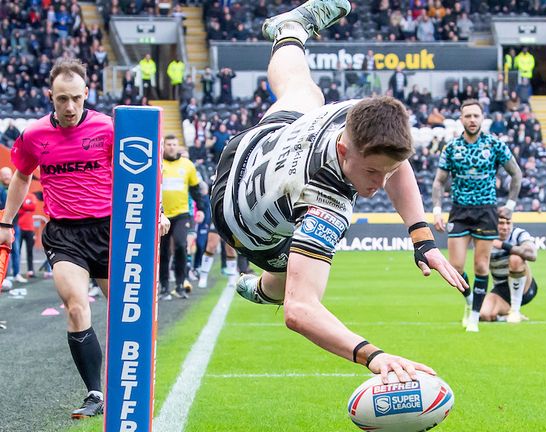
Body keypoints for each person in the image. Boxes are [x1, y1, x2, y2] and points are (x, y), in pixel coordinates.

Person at [210, 0, 467, 384]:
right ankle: (260, 288)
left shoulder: (356, 115)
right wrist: (373, 356)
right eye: (371, 173)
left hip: (257, 144)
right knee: (288, 287)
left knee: (305, 91)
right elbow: (300, 311)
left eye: (386, 172)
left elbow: (395, 162)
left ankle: (290, 30)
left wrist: (422, 237)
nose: (378, 185)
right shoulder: (325, 204)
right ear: (345, 152)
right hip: (238, 219)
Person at [0, 58, 170, 419]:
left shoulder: (109, 129)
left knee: (128, 311)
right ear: (50, 96)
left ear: (87, 94)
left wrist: (156, 213)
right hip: (65, 234)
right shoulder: (34, 135)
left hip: (112, 231)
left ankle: (135, 383)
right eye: (62, 99)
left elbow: (144, 170)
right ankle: (95, 392)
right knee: (76, 303)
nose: (70, 107)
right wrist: (7, 222)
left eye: (76, 98)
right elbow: (20, 176)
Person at [432, 99, 522, 333]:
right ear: (461, 119)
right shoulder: (451, 147)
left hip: (486, 211)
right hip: (460, 210)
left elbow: (516, 174)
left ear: (482, 119)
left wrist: (510, 205)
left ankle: (474, 316)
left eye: (476, 116)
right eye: (468, 116)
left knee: (481, 266)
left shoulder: (495, 144)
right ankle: (471, 301)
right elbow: (439, 181)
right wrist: (437, 209)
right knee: (455, 266)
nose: (472, 120)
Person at [159, 135, 205, 300]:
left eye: (174, 144)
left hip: (181, 214)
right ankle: (164, 287)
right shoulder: (158, 163)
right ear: (163, 146)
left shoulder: (187, 165)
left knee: (180, 245)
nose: (171, 147)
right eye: (168, 144)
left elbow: (195, 189)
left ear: (178, 147)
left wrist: (200, 208)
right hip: (161, 215)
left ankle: (179, 284)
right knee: (163, 251)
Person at [479, 208, 538, 323]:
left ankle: (515, 311)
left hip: (525, 287)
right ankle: (508, 316)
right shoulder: (486, 239)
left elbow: (532, 255)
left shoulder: (518, 234)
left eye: (508, 223)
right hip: (501, 288)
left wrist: (503, 245)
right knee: (485, 315)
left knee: (515, 258)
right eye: (501, 223)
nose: (505, 227)